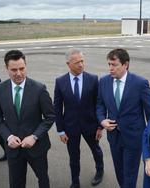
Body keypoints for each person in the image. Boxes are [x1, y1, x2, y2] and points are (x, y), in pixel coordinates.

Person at [0, 50, 55, 188]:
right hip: (13, 149)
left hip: (37, 147)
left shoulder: (39, 89)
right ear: (6, 69)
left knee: (43, 179)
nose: (19, 73)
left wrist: (34, 136)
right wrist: (8, 137)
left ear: (26, 66)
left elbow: (50, 117)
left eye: (22, 68)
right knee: (16, 183)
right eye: (14, 70)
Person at [97, 48, 150, 188]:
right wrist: (102, 120)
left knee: (130, 174)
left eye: (114, 65)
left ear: (125, 64)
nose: (110, 68)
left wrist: (149, 139)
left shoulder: (140, 83)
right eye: (109, 64)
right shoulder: (103, 81)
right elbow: (99, 105)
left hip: (134, 138)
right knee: (119, 172)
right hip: (114, 137)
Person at [54, 48, 104, 188]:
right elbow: (57, 108)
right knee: (74, 157)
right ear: (68, 64)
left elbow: (99, 104)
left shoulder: (93, 79)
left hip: (91, 125)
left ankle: (100, 171)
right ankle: (75, 181)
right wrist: (60, 130)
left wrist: (100, 126)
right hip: (70, 127)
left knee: (96, 151)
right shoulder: (60, 81)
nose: (81, 65)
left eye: (82, 61)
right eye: (77, 62)